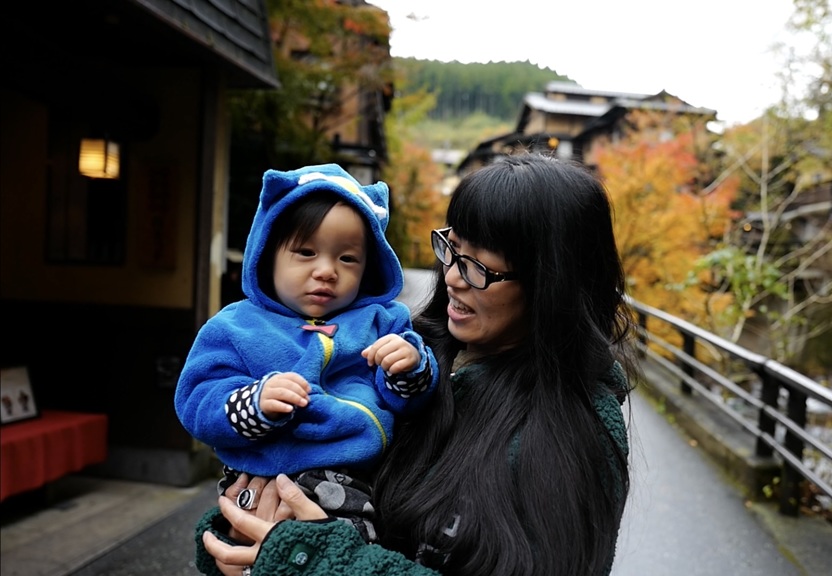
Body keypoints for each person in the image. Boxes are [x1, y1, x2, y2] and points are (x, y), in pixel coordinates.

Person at [196, 152, 639, 576]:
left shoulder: (573, 428)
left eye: (478, 268)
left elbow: (312, 551)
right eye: (452, 249)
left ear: (551, 285)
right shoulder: (415, 350)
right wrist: (241, 531)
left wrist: (307, 558)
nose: (450, 277)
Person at [175, 163, 438, 542]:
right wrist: (255, 402)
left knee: (344, 551)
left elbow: (411, 405)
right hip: (259, 474)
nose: (327, 271)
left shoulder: (382, 320)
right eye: (306, 252)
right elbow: (196, 400)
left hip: (354, 475)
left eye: (347, 258)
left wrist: (409, 367)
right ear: (267, 255)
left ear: (369, 267)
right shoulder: (236, 326)